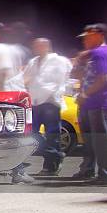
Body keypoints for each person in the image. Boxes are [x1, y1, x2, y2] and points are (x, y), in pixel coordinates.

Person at [23, 39, 73, 176]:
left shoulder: (59, 61)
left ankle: (51, 167)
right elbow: (25, 78)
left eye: (38, 45)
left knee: (52, 135)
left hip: (50, 102)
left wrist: (53, 95)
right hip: (35, 102)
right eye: (34, 45)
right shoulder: (33, 61)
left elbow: (62, 80)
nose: (35, 48)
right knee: (30, 134)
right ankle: (56, 155)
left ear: (46, 46)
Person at [72, 24, 107, 183]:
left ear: (100, 35)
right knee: (89, 139)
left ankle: (104, 173)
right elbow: (83, 76)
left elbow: (103, 79)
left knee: (100, 139)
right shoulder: (92, 55)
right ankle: (87, 169)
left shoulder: (100, 53)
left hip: (98, 103)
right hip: (87, 103)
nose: (85, 40)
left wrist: (85, 94)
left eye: (89, 36)